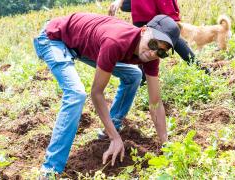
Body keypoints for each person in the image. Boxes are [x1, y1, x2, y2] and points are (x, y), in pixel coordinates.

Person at [33, 13, 180, 178]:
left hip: (81, 46)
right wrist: (115, 138)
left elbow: (155, 103)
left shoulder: (151, 56)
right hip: (53, 37)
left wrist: (166, 144)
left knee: (134, 76)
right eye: (153, 44)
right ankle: (50, 170)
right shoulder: (116, 42)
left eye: (161, 51)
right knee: (76, 94)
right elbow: (96, 93)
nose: (154, 53)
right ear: (144, 30)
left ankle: (111, 127)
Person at [108, 0, 198, 85]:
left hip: (154, 6)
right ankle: (143, 79)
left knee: (169, 37)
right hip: (141, 8)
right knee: (144, 42)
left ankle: (199, 67)